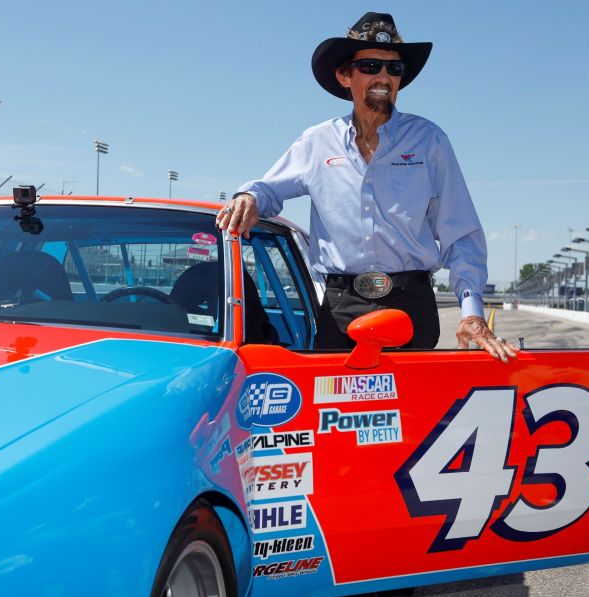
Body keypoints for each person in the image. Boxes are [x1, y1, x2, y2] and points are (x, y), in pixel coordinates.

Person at [217, 11, 516, 364]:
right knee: (337, 415)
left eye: (394, 68)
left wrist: (472, 313)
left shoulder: (429, 141)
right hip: (341, 310)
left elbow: (460, 233)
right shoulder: (317, 143)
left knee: (418, 415)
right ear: (345, 75)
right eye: (371, 66)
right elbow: (268, 189)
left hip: (411, 307)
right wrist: (248, 196)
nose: (384, 77)